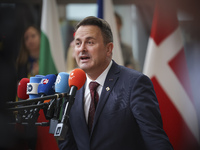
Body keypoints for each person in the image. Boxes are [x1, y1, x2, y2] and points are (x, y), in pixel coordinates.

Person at [58, 16, 173, 150]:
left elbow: (155, 139)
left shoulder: (135, 83)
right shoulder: (71, 87)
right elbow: (67, 143)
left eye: (89, 42)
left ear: (109, 49)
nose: (82, 49)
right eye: (78, 43)